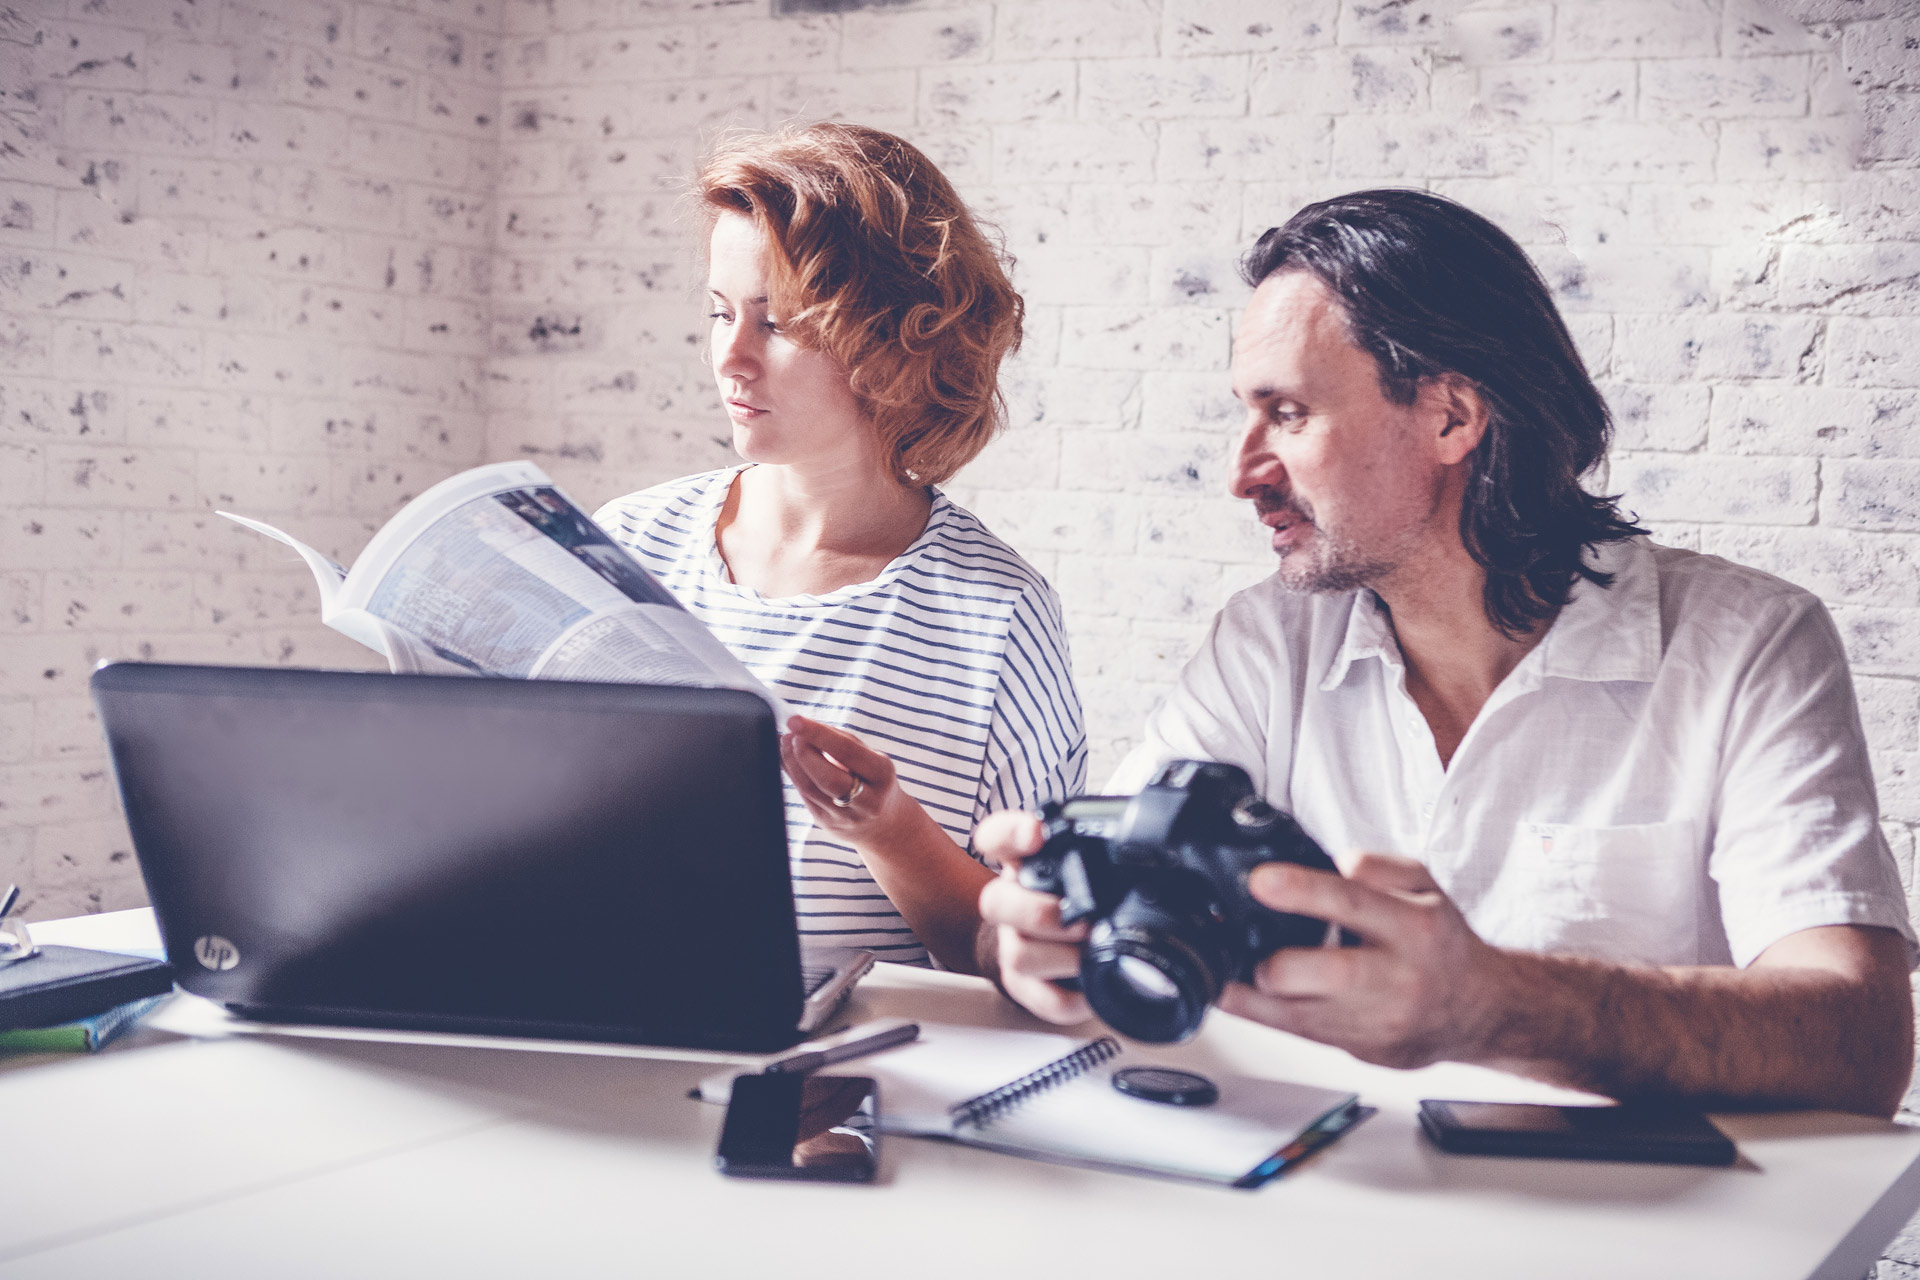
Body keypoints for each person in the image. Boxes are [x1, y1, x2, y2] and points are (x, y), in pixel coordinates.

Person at [976, 189, 1917, 1116]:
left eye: (1289, 414)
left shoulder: (1750, 644)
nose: (1241, 473)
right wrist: (1030, 943)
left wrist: (1493, 1006)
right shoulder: (1267, 643)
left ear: (1452, 418)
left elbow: (1864, 1041)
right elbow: (1071, 911)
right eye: (1245, 414)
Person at [595, 123, 1085, 974]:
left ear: (897, 338)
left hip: (842, 1094)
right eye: (720, 313)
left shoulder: (995, 621)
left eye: (778, 324)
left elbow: (1038, 961)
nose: (731, 359)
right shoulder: (628, 544)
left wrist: (891, 832)